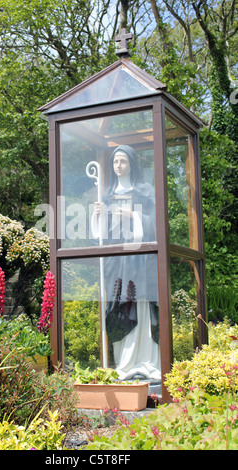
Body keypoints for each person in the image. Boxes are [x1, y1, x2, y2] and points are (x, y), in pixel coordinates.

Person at [91, 145, 161, 381]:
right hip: (117, 262)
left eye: (123, 161)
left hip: (139, 261)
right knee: (120, 306)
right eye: (115, 162)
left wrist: (133, 216)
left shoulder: (145, 191)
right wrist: (98, 213)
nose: (118, 166)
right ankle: (125, 363)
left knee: (139, 304)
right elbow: (100, 235)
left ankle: (146, 361)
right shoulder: (107, 194)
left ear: (132, 164)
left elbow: (155, 225)